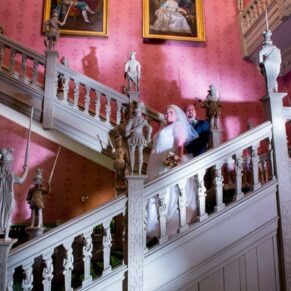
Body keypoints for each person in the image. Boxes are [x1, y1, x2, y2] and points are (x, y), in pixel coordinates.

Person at [146, 104, 198, 240]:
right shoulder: (164, 128)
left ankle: (168, 226)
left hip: (167, 162)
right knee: (155, 194)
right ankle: (155, 228)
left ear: (176, 115)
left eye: (170, 112)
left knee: (168, 193)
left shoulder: (178, 126)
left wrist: (175, 162)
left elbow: (179, 146)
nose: (167, 114)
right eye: (166, 112)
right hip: (156, 164)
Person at [0, 148, 29, 240]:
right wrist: (26, 170)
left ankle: (5, 235)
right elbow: (20, 180)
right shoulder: (10, 174)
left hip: (4, 198)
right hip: (8, 198)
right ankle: (6, 236)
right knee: (8, 216)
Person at [125, 102, 152, 175]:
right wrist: (148, 137)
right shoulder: (143, 120)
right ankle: (138, 172)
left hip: (134, 136)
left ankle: (132, 172)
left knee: (132, 153)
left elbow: (127, 129)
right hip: (140, 136)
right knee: (139, 153)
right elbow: (150, 128)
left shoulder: (132, 119)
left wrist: (127, 134)